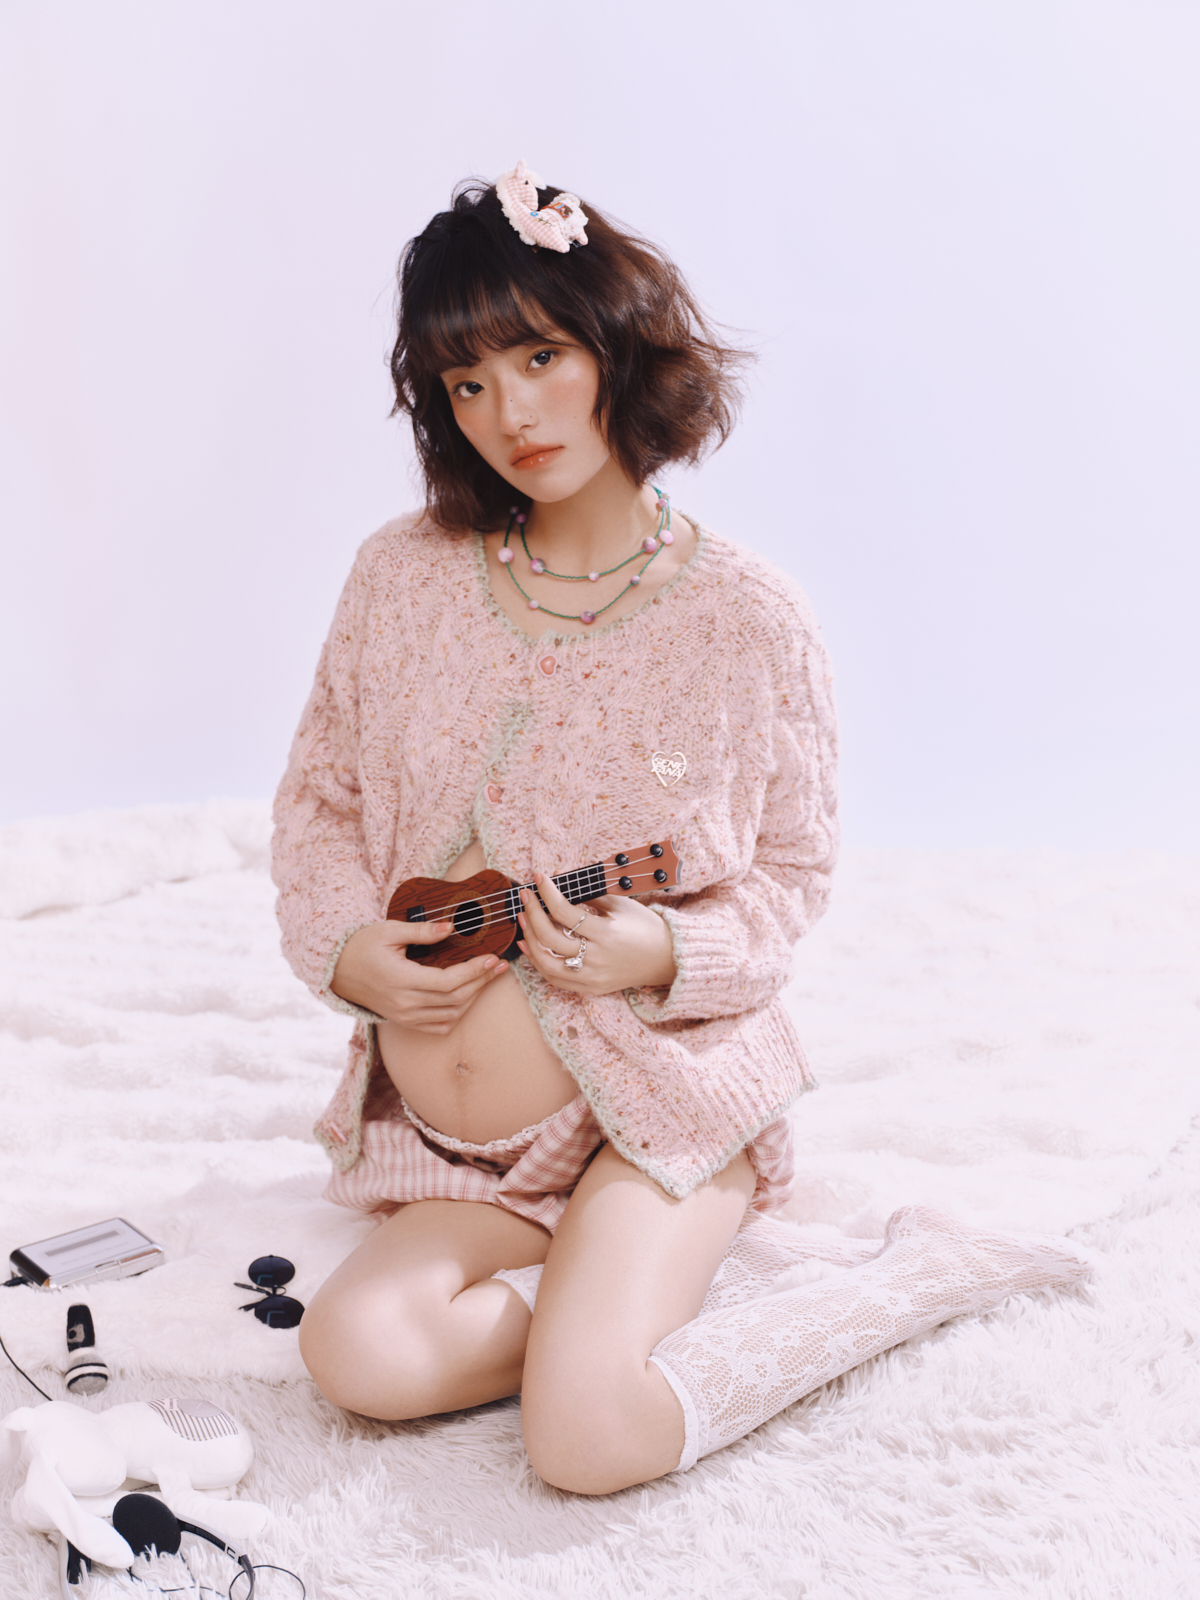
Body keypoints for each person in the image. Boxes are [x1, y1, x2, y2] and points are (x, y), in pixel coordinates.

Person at [271, 162, 1089, 1495]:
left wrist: (665, 951)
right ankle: (597, 1313)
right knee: (355, 1354)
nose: (507, 413)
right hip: (460, 1156)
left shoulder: (748, 620)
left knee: (589, 1438)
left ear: (618, 347)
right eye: (465, 382)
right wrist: (343, 951)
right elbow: (323, 804)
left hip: (657, 1105)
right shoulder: (399, 577)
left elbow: (790, 875)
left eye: (539, 356)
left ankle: (900, 1283)